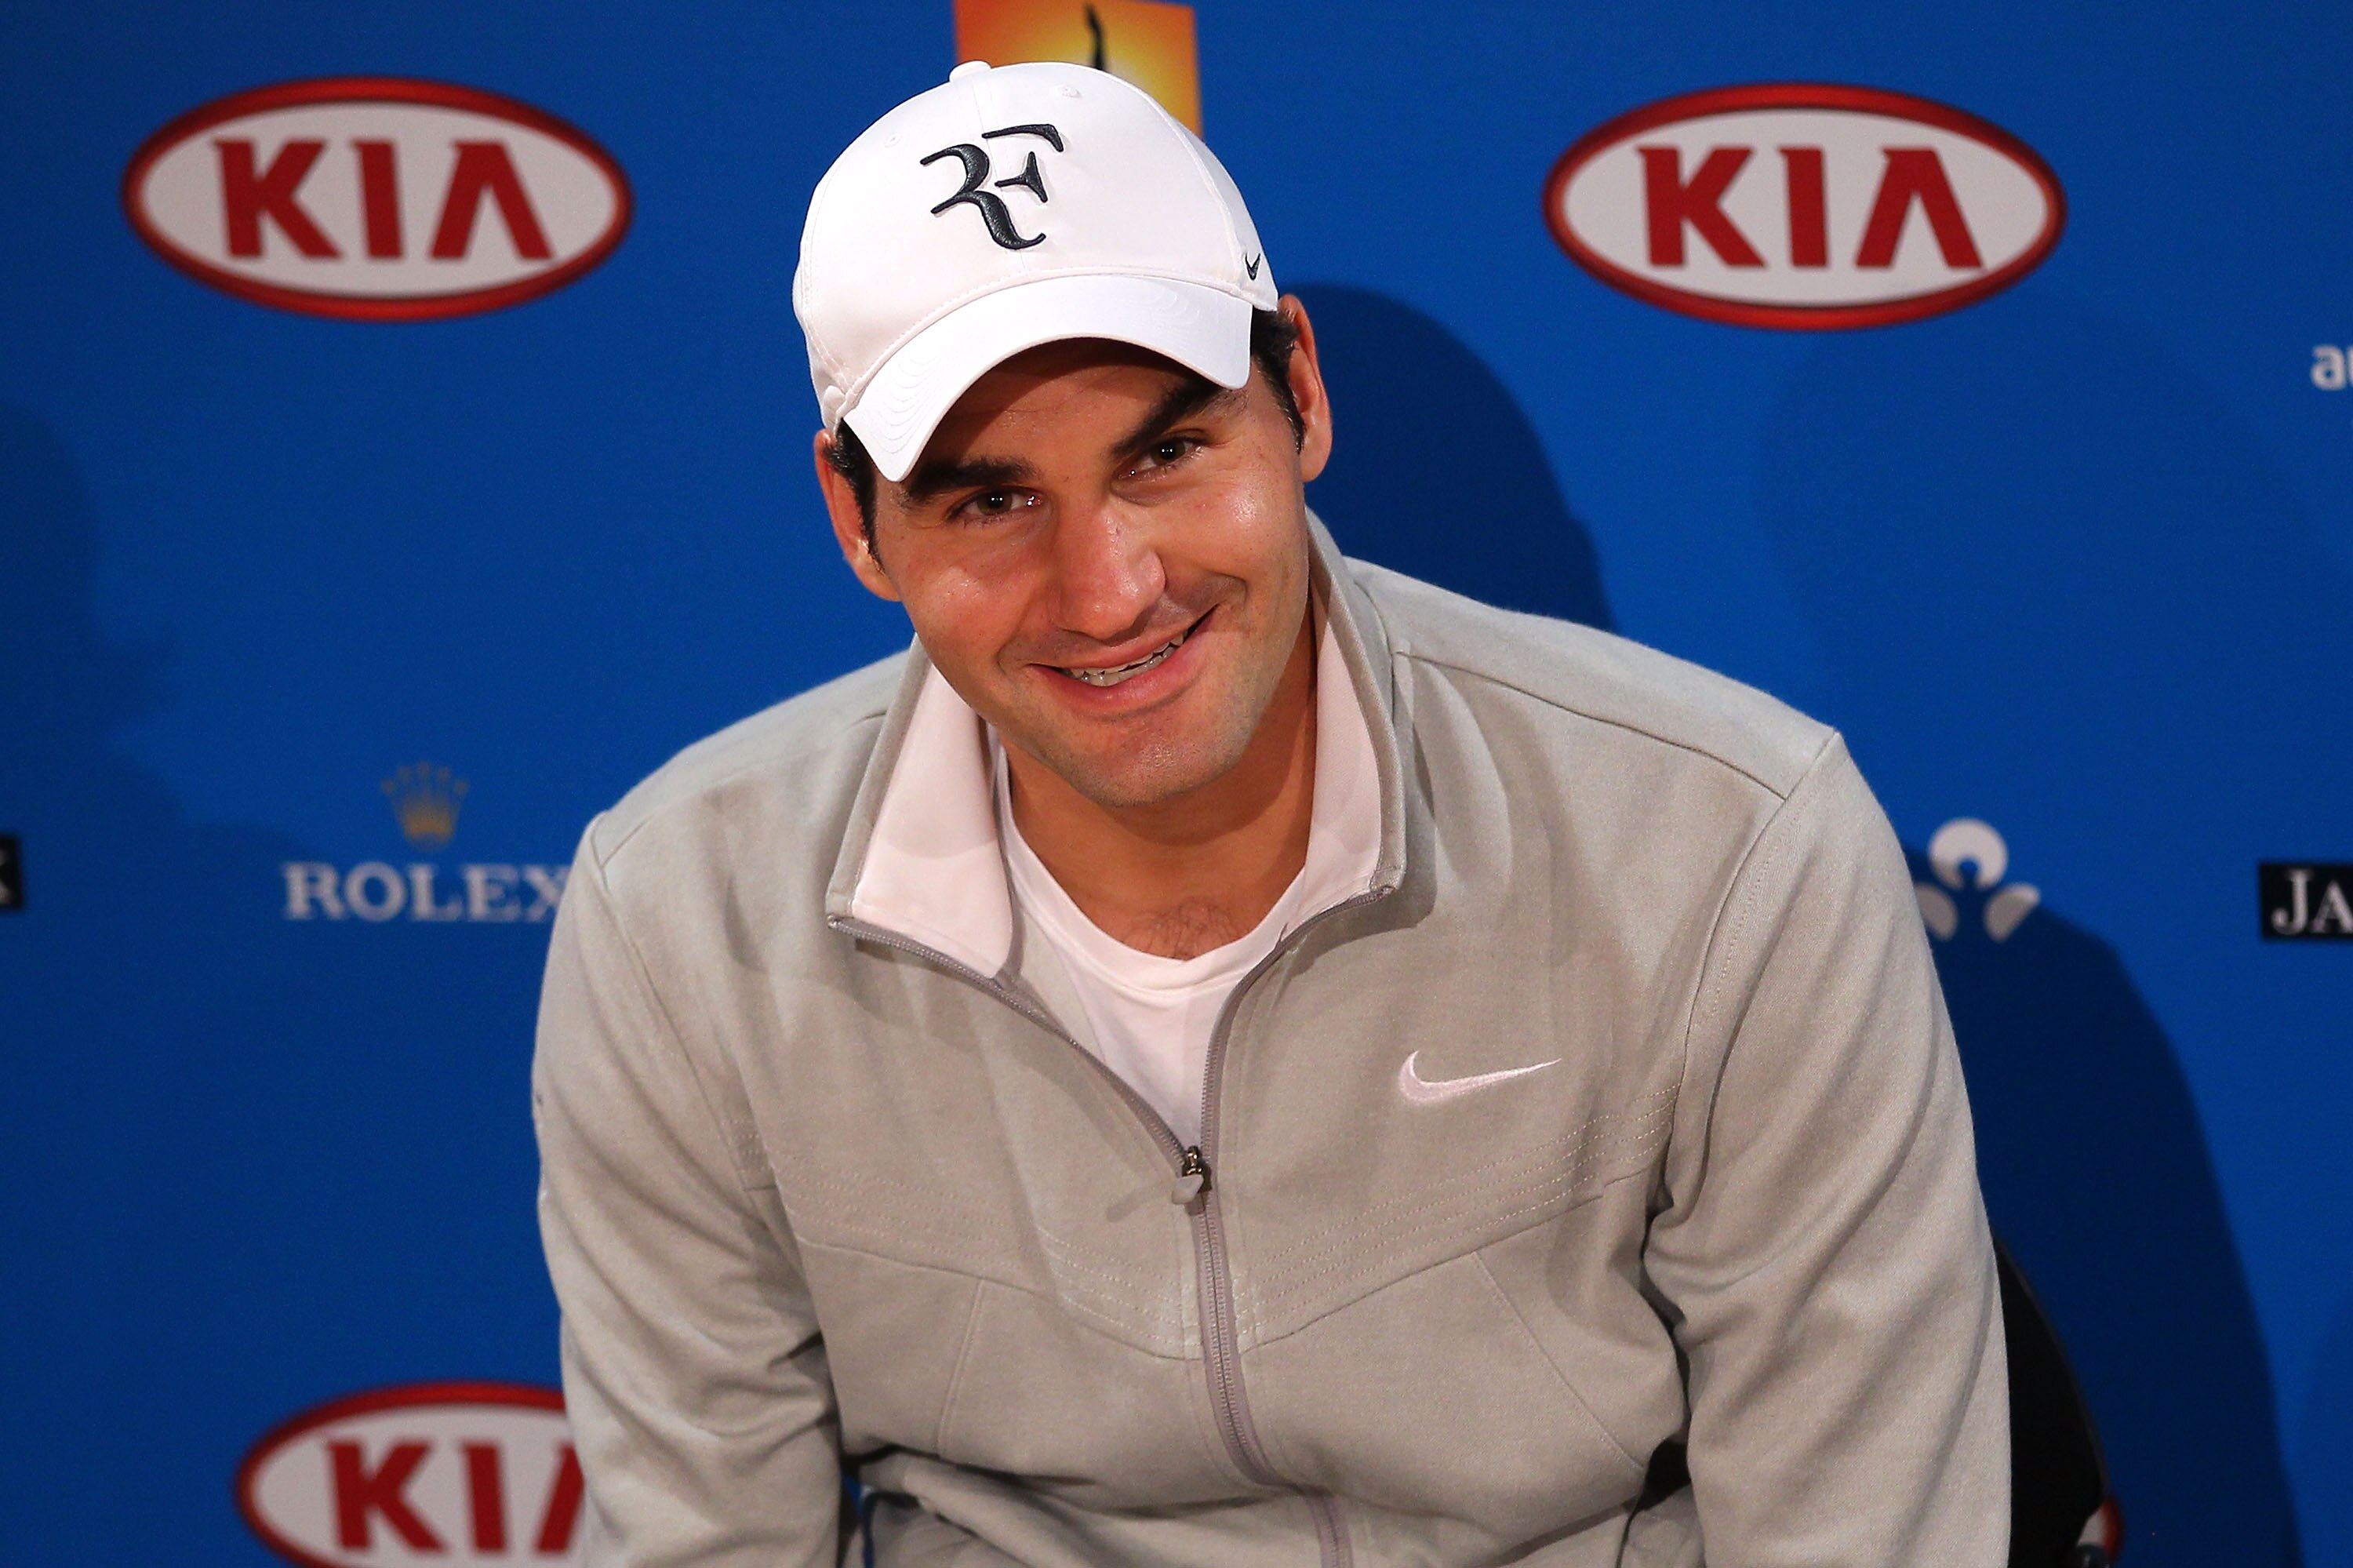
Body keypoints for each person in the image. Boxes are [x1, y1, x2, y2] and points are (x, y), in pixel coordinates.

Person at [533, 60, 2008, 1567]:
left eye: (1167, 454)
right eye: (991, 502)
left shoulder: (1726, 840)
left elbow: (1860, 1530)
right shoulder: (680, 922)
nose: (1108, 591)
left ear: (1300, 394)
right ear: (857, 521)